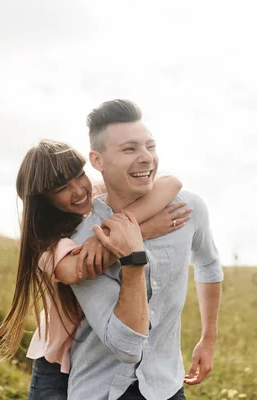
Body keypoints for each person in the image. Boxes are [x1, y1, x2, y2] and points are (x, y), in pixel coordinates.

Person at [0, 139, 193, 399]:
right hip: (57, 365)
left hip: (95, 356)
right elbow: (76, 269)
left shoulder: (95, 196)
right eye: (63, 187)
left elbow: (171, 183)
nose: (79, 190)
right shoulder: (47, 244)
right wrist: (143, 230)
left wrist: (124, 225)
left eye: (80, 176)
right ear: (43, 198)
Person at [67, 99, 223, 400]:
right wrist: (131, 257)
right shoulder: (83, 242)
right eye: (129, 149)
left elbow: (209, 266)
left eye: (150, 147)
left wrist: (208, 338)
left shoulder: (188, 208)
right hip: (100, 390)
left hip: (166, 385)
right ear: (97, 161)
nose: (146, 159)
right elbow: (124, 346)